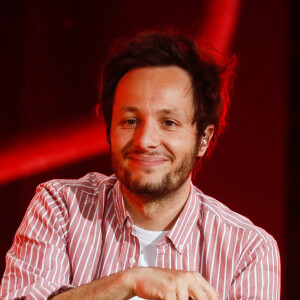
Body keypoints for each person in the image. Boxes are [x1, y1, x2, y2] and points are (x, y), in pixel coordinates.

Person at [0, 32, 280, 300]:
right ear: (109, 130)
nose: (145, 140)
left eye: (168, 123)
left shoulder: (248, 250)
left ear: (203, 139)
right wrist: (130, 281)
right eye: (130, 121)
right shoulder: (59, 207)